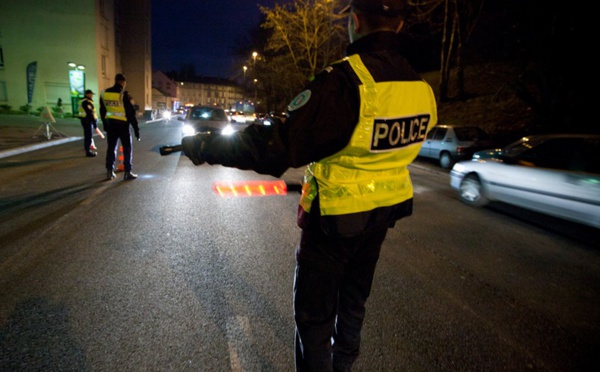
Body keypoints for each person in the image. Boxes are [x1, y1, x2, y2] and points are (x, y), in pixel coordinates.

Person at [181, 0, 437, 370]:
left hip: (333, 220)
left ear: (354, 21)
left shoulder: (346, 82)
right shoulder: (420, 87)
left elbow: (280, 145)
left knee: (315, 319)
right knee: (353, 308)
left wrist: (206, 145)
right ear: (398, 26)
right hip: (382, 217)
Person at [99, 73, 140, 180]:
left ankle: (109, 171)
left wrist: (105, 124)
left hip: (111, 125)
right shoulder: (124, 94)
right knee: (127, 149)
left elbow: (102, 111)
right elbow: (131, 114)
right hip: (123, 126)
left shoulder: (104, 93)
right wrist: (136, 129)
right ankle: (127, 172)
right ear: (123, 82)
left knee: (111, 148)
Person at [78, 90, 99, 157]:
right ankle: (88, 152)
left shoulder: (82, 101)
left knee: (87, 136)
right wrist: (94, 122)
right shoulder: (86, 102)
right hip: (88, 121)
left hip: (85, 120)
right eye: (91, 94)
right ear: (87, 94)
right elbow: (90, 112)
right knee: (88, 136)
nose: (92, 95)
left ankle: (87, 150)